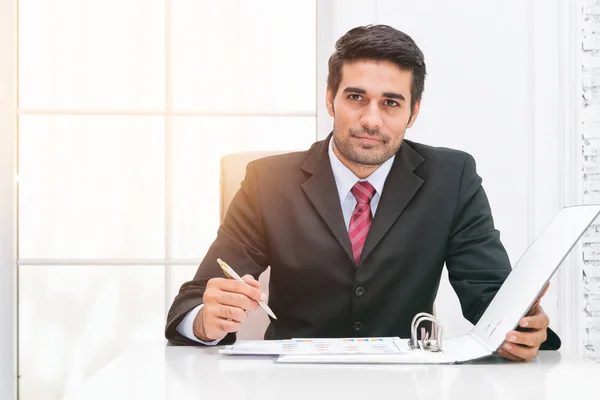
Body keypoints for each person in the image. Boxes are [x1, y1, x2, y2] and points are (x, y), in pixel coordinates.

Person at [165, 24, 560, 361]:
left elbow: (489, 297)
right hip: (292, 384)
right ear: (330, 99)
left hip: (407, 383)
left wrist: (518, 328)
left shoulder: (452, 177)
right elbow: (194, 301)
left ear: (414, 111)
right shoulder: (266, 181)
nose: (371, 120)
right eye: (356, 97)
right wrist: (204, 319)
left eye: (391, 103)